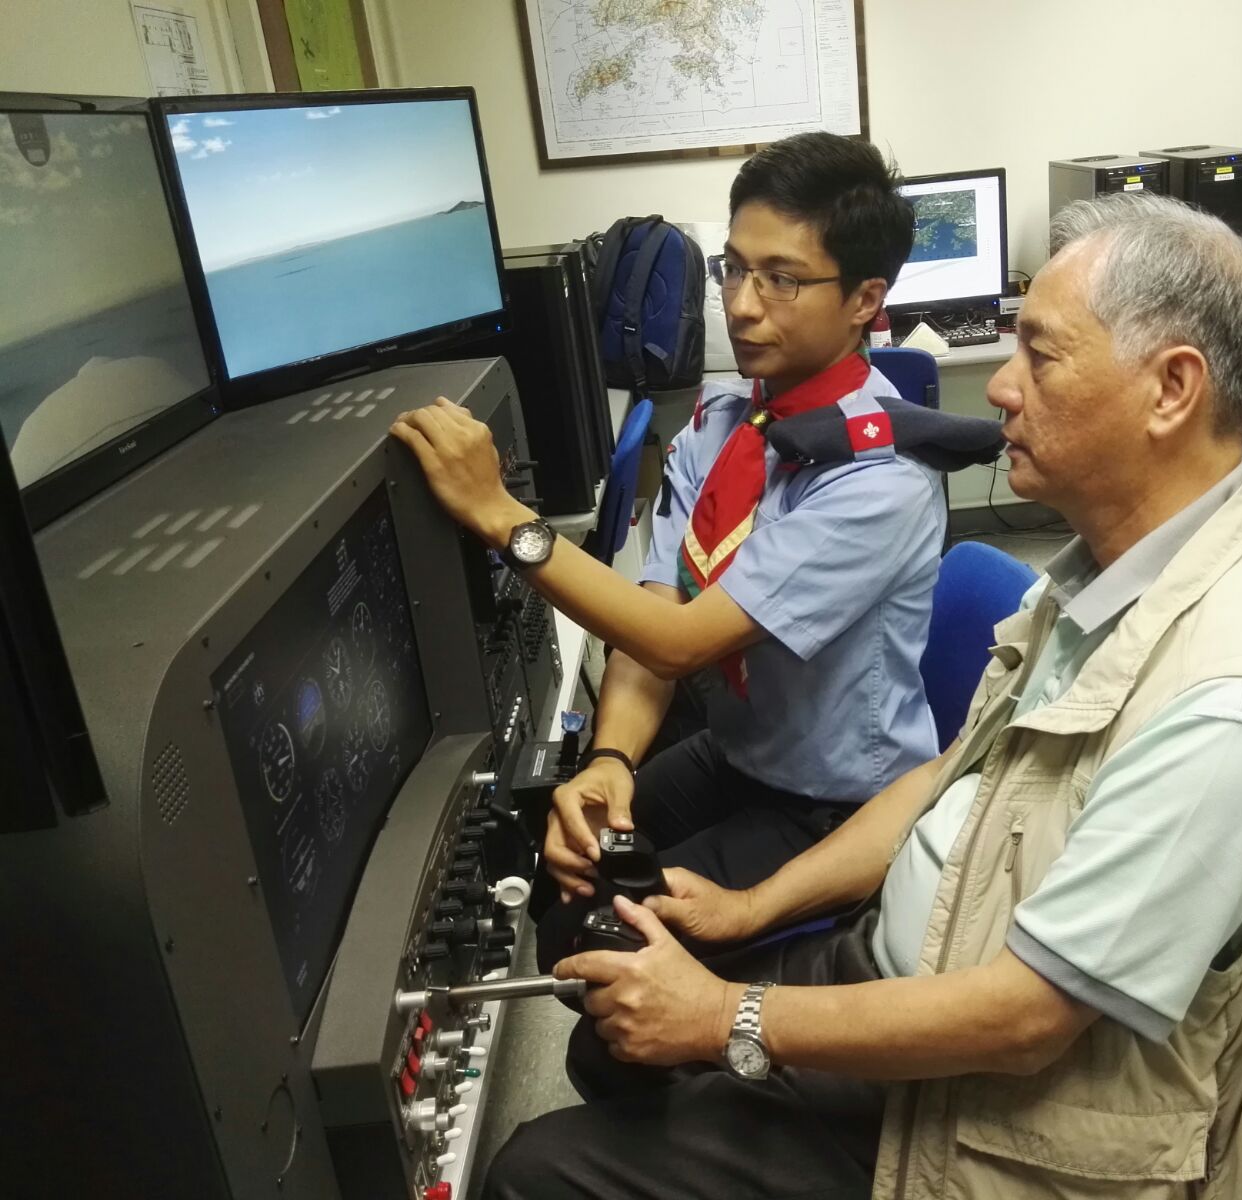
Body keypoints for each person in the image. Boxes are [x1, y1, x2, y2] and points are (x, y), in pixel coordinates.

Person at [474, 194, 1242, 1200]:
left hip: (1004, 1111)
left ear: (1170, 389)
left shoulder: (1232, 705)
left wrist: (726, 1016)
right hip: (913, 954)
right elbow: (957, 776)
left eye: (1040, 355)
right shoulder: (1106, 579)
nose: (999, 386)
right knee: (613, 1036)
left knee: (532, 1174)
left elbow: (1026, 1020)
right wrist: (747, 910)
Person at [392, 132, 953, 971]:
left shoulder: (880, 479)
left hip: (835, 804)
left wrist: (501, 516)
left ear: (865, 300)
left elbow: (684, 644)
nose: (743, 305)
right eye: (734, 268)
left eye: (783, 279)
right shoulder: (727, 425)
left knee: (599, 949)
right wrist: (610, 758)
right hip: (737, 750)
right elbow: (656, 611)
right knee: (558, 884)